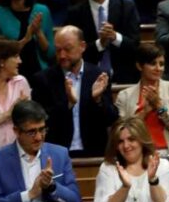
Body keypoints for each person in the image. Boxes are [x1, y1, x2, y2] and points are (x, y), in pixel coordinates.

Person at [30, 26, 117, 158]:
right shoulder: (43, 79)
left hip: (94, 152)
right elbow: (41, 122)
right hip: (56, 154)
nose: (62, 55)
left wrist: (98, 100)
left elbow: (111, 118)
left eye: (67, 49)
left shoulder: (98, 75)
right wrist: (68, 104)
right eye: (58, 50)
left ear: (82, 46)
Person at [66, 0, 141, 84]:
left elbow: (135, 46)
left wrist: (114, 37)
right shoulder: (75, 13)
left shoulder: (126, 7)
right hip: (88, 79)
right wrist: (100, 43)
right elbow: (74, 52)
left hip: (125, 78)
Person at [115, 44, 169, 156]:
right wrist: (144, 112)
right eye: (153, 63)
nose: (158, 68)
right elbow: (121, 134)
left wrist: (159, 106)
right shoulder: (124, 96)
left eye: (161, 64)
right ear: (139, 66)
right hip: (138, 155)